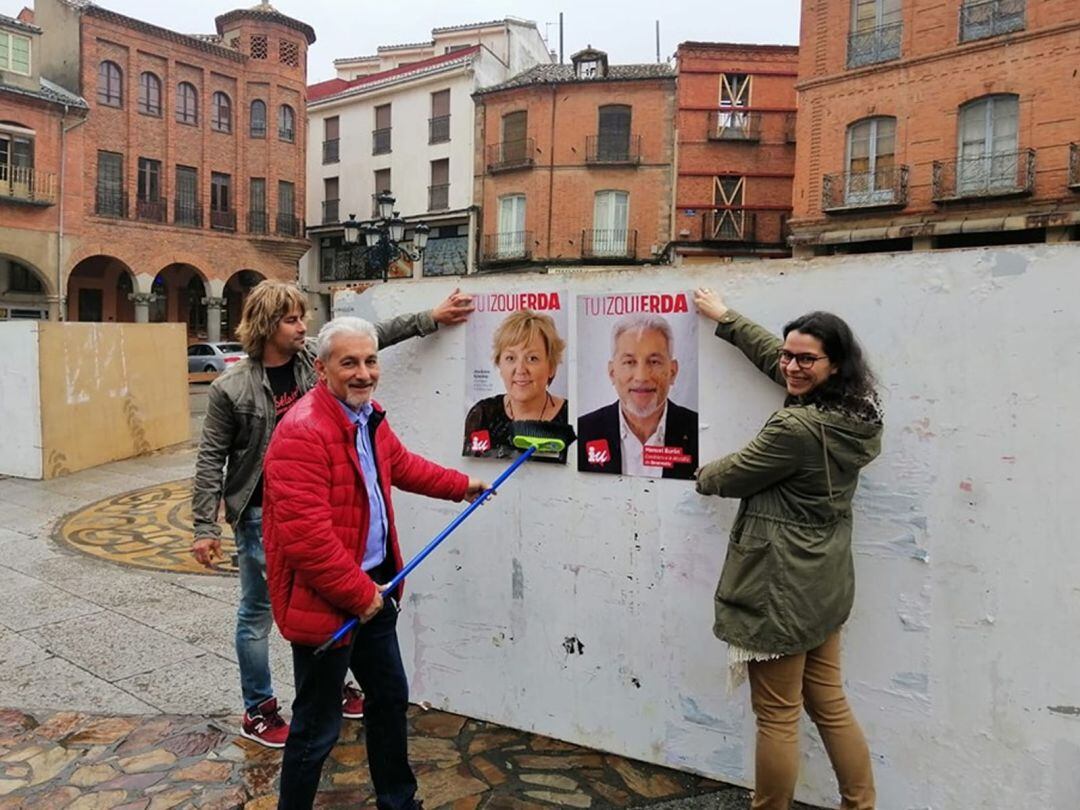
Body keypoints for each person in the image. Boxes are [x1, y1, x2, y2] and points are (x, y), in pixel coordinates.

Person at [190, 281, 473, 748]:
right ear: (266, 325)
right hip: (261, 510)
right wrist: (205, 526)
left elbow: (374, 335)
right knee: (259, 612)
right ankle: (258, 708)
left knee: (327, 603)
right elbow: (210, 456)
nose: (303, 326)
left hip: (325, 504)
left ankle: (333, 683)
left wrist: (431, 318)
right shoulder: (231, 386)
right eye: (291, 319)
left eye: (302, 317)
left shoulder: (311, 363)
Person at [262, 317, 487, 810]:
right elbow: (307, 540)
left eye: (370, 360)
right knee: (316, 728)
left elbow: (401, 465)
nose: (364, 373)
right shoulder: (301, 432)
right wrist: (359, 595)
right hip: (331, 603)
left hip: (377, 589)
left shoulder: (369, 415)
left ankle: (398, 801)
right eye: (349, 363)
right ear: (321, 369)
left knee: (387, 700)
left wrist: (460, 486)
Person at [692, 287, 881, 810]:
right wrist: (727, 319)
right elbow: (783, 367)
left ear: (834, 365)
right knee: (830, 703)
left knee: (776, 715)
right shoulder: (858, 412)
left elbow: (734, 475)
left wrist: (700, 475)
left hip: (778, 583)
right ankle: (860, 804)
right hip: (823, 581)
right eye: (787, 354)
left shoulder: (795, 427)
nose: (791, 367)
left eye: (806, 359)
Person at [576, 312, 698, 479]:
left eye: (654, 362)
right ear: (612, 372)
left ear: (673, 371)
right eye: (629, 362)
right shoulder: (582, 432)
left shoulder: (698, 434)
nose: (642, 377)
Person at [463, 308, 569, 463]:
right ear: (499, 364)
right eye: (511, 358)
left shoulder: (571, 417)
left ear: (551, 367)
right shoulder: (482, 415)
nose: (520, 370)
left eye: (532, 358)